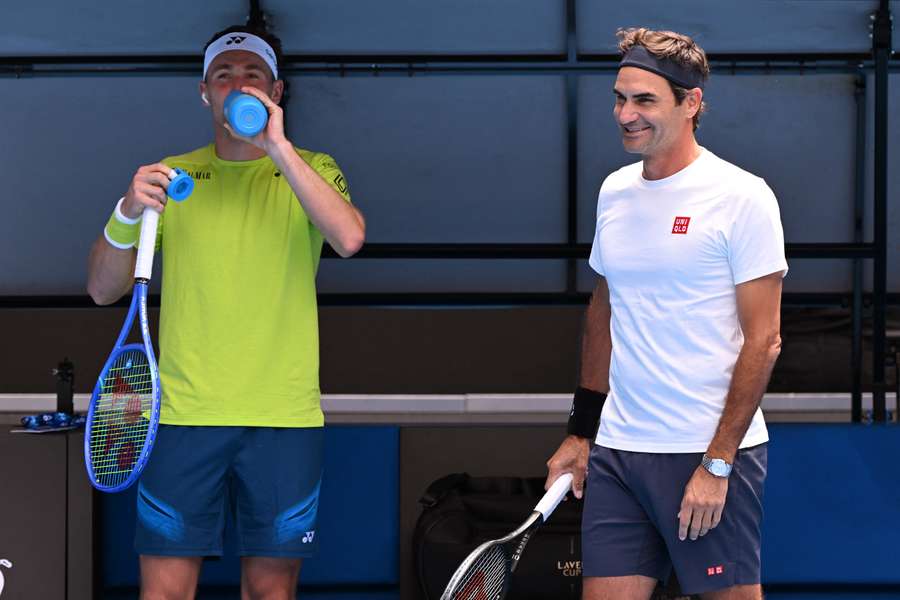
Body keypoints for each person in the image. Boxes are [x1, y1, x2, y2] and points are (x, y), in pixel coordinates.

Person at [86, 24, 365, 599]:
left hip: (283, 418)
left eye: (252, 74)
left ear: (276, 91)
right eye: (224, 74)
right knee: (164, 593)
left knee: (271, 593)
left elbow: (349, 238)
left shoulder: (311, 167)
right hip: (182, 416)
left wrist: (278, 148)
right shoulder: (170, 175)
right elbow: (101, 289)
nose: (238, 83)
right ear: (205, 93)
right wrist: (125, 211)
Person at [545, 28, 786, 600]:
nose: (626, 114)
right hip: (620, 453)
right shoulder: (613, 192)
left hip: (707, 456)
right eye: (620, 98)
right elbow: (603, 312)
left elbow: (765, 341)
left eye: (645, 101)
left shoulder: (743, 197)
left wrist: (718, 464)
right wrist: (582, 432)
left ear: (692, 103)